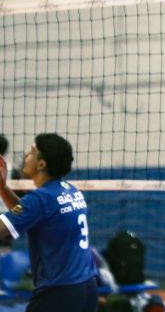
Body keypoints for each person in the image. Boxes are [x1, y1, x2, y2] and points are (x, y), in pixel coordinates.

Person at [0, 133, 98, 312]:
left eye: (30, 152)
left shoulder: (41, 199)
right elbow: (27, 212)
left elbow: (5, 227)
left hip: (59, 294)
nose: (25, 155)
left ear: (41, 164)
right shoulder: (70, 190)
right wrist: (2, 187)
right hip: (87, 288)